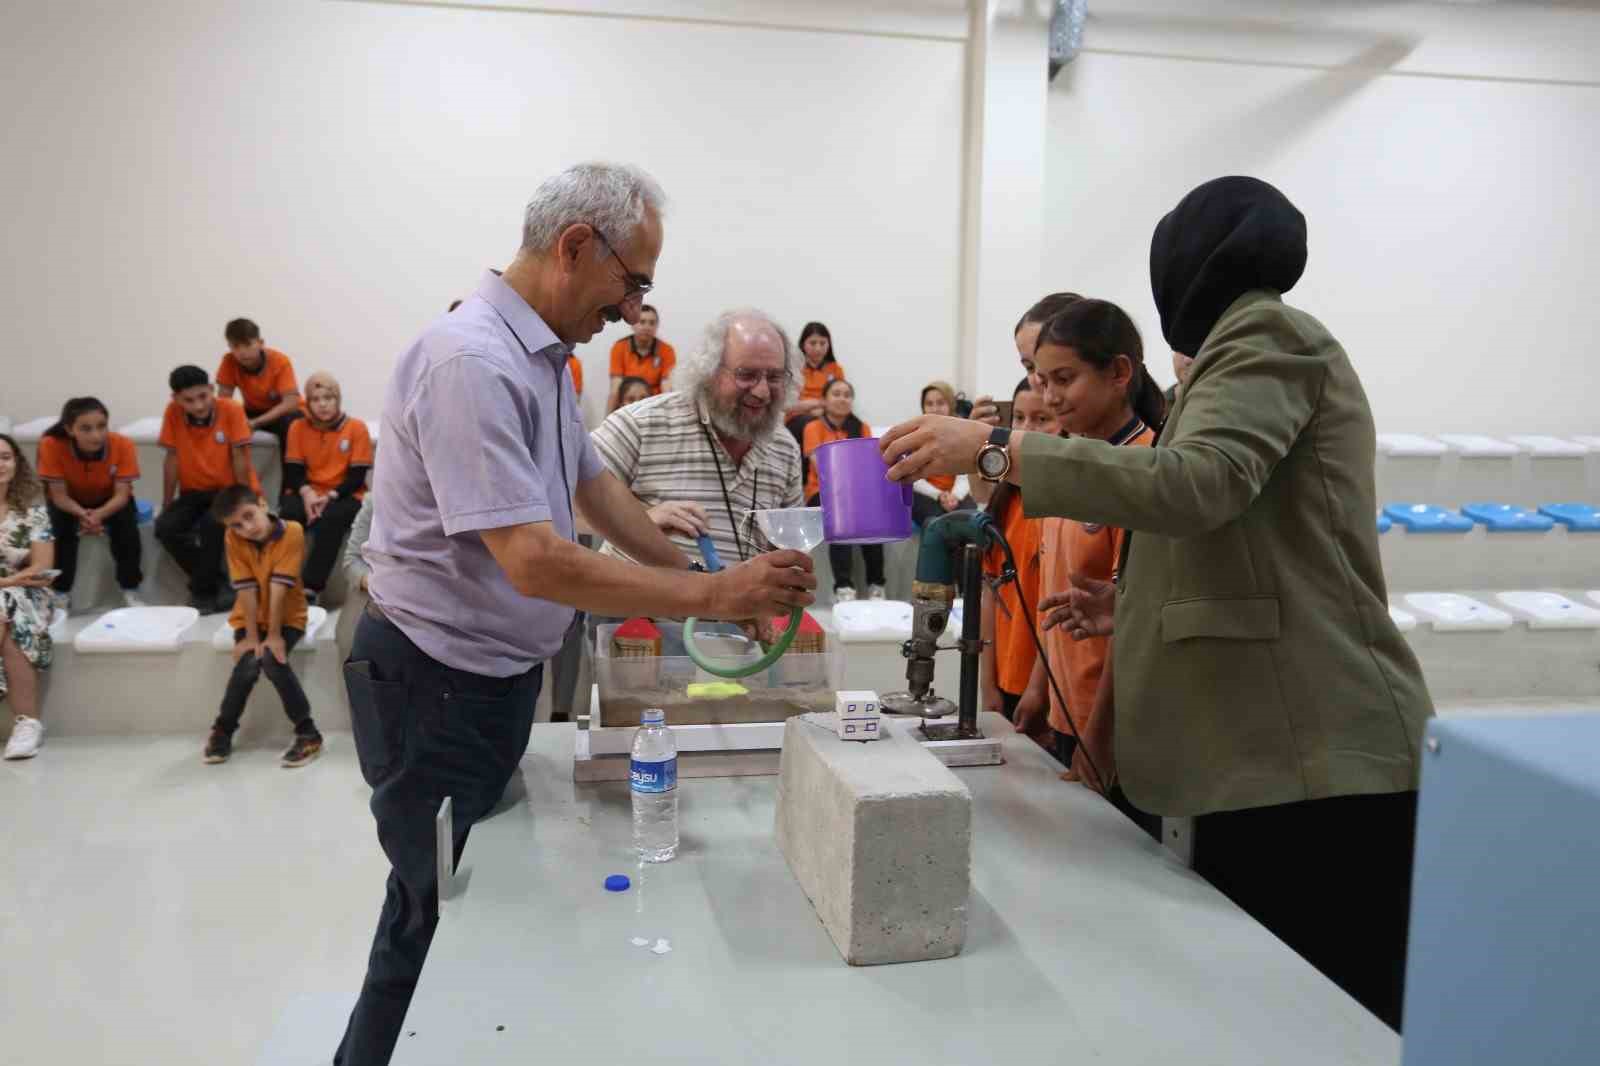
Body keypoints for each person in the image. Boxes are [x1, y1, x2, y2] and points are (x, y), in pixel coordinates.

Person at [879, 176, 1432, 1031]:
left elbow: (1199, 483)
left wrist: (995, 448)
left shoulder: (1266, 336)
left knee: (1324, 1023)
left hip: (1311, 762)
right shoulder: (1234, 354)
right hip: (1261, 761)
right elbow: (1231, 535)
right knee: (1265, 1019)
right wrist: (1128, 602)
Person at [337, 162, 814, 1066]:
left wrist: (713, 589)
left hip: (486, 684)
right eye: (633, 282)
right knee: (429, 916)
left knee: (472, 903)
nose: (635, 309)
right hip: (431, 689)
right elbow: (535, 560)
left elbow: (594, 495)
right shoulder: (472, 363)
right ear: (573, 248)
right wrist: (714, 594)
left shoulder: (543, 360)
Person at [1019, 300, 1163, 846]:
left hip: (1116, 733)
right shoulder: (1067, 465)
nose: (1050, 396)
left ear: (1120, 373)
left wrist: (1098, 740)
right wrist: (1039, 688)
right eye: (1041, 380)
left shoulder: (1147, 469)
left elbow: (1134, 618)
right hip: (1065, 710)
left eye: (1064, 379)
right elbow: (1056, 594)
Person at [202, 485, 324, 768]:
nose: (246, 527)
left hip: (288, 616)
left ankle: (308, 733)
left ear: (262, 503)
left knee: (272, 659)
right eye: (236, 524)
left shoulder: (292, 530)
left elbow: (280, 586)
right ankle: (222, 730)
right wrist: (252, 637)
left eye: (249, 516)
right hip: (249, 616)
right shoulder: (233, 537)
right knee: (247, 663)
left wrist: (273, 636)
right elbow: (244, 587)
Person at [979, 378, 1055, 741]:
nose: (1027, 430)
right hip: (1007, 675)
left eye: (1042, 419)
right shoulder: (1006, 500)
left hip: (1047, 686)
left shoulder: (1063, 505)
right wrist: (987, 681)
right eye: (1020, 418)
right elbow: (991, 594)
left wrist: (1039, 688)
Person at [155, 365, 260, 613]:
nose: (198, 405)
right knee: (165, 527)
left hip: (228, 490)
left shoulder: (231, 409)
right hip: (193, 491)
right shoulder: (173, 413)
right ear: (176, 399)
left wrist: (246, 500)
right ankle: (217, 582)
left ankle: (202, 592)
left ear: (212, 390)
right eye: (189, 400)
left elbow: (240, 458)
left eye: (203, 396)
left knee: (211, 525)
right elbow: (171, 459)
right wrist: (167, 503)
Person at [36, 397, 144, 612]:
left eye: (101, 426)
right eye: (85, 429)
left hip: (110, 499)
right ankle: (60, 595)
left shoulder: (123, 444)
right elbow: (58, 497)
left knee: (128, 532)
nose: (96, 435)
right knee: (60, 533)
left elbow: (122, 495)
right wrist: (84, 514)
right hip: (68, 501)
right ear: (69, 429)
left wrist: (98, 515)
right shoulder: (50, 445)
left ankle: (131, 589)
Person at [279, 372, 373, 604]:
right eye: (315, 399)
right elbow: (293, 471)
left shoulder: (356, 428)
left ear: (338, 399)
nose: (322, 404)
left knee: (332, 518)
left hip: (345, 493)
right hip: (307, 492)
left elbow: (357, 476)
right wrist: (308, 494)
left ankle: (311, 589)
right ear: (307, 403)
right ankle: (282, 583)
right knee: (288, 516)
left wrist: (329, 496)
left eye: (328, 398)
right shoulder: (297, 427)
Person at [802, 378, 885, 601]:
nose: (842, 398)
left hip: (856, 492)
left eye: (847, 394)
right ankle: (844, 588)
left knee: (874, 520)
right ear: (825, 400)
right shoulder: (814, 427)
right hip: (821, 491)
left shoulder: (862, 427)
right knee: (841, 513)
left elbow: (869, 463)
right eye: (836, 394)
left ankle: (876, 585)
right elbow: (819, 464)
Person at [0, 434, 55, 761]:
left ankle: (27, 725)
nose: (0, 464)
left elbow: (42, 565)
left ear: (17, 462)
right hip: (12, 585)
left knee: (8, 608)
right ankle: (28, 720)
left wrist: (10, 583)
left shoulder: (33, 510)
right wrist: (9, 579)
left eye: (6, 456)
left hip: (27, 592)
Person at [215, 318, 302, 461]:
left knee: (292, 423)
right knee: (220, 420)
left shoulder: (280, 361)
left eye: (248, 345)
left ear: (261, 343)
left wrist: (256, 423)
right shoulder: (229, 361)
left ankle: (291, 482)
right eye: (236, 346)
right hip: (253, 410)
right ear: (229, 347)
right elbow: (224, 401)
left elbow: (291, 403)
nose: (243, 352)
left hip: (282, 413)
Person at [911, 381, 974, 524]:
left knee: (971, 519)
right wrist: (939, 495)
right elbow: (914, 478)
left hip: (956, 493)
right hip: (926, 494)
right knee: (937, 522)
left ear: (950, 405)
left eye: (940, 403)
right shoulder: (915, 435)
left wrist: (955, 496)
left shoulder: (962, 432)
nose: (934, 409)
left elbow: (965, 475)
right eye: (929, 404)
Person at [783, 320, 846, 445]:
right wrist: (818, 404)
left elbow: (841, 400)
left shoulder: (836, 369)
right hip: (797, 419)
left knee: (855, 425)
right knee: (813, 425)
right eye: (813, 343)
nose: (818, 348)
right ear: (803, 344)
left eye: (823, 343)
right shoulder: (793, 369)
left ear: (829, 345)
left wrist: (812, 406)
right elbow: (788, 405)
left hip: (829, 416)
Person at [607, 303, 675, 410]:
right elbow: (615, 388)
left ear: (657, 326)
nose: (647, 327)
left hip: (654, 406)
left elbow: (666, 386)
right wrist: (608, 418)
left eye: (652, 323)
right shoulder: (619, 347)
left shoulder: (667, 350)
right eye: (642, 322)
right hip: (627, 405)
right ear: (633, 325)